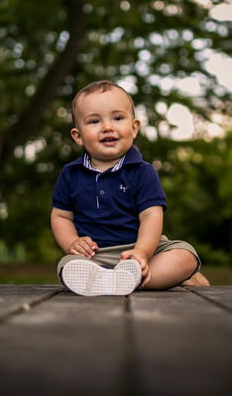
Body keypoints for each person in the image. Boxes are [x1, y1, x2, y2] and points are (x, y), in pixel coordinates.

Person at [51, 80, 210, 296]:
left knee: (186, 255)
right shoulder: (71, 174)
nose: (107, 127)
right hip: (96, 256)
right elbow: (61, 216)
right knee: (67, 266)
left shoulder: (142, 172)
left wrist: (142, 252)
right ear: (78, 136)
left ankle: (132, 276)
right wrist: (72, 242)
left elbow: (151, 216)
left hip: (144, 249)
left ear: (134, 128)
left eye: (117, 118)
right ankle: (122, 279)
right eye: (94, 121)